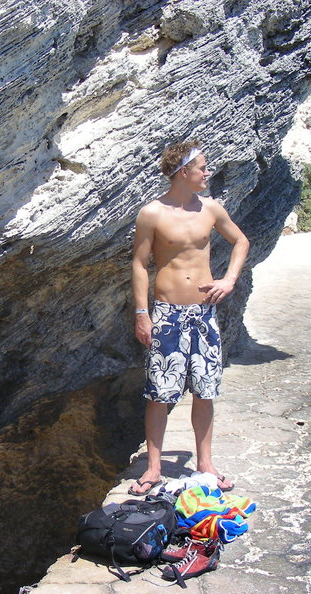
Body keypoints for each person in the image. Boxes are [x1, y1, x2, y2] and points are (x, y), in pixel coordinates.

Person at [130, 139, 250, 496]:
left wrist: (228, 280)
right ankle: (153, 468)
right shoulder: (152, 213)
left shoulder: (211, 209)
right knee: (158, 394)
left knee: (205, 390)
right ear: (184, 172)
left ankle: (205, 463)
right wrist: (142, 313)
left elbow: (240, 242)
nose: (207, 173)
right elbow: (139, 264)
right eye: (202, 168)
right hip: (166, 314)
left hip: (203, 314)